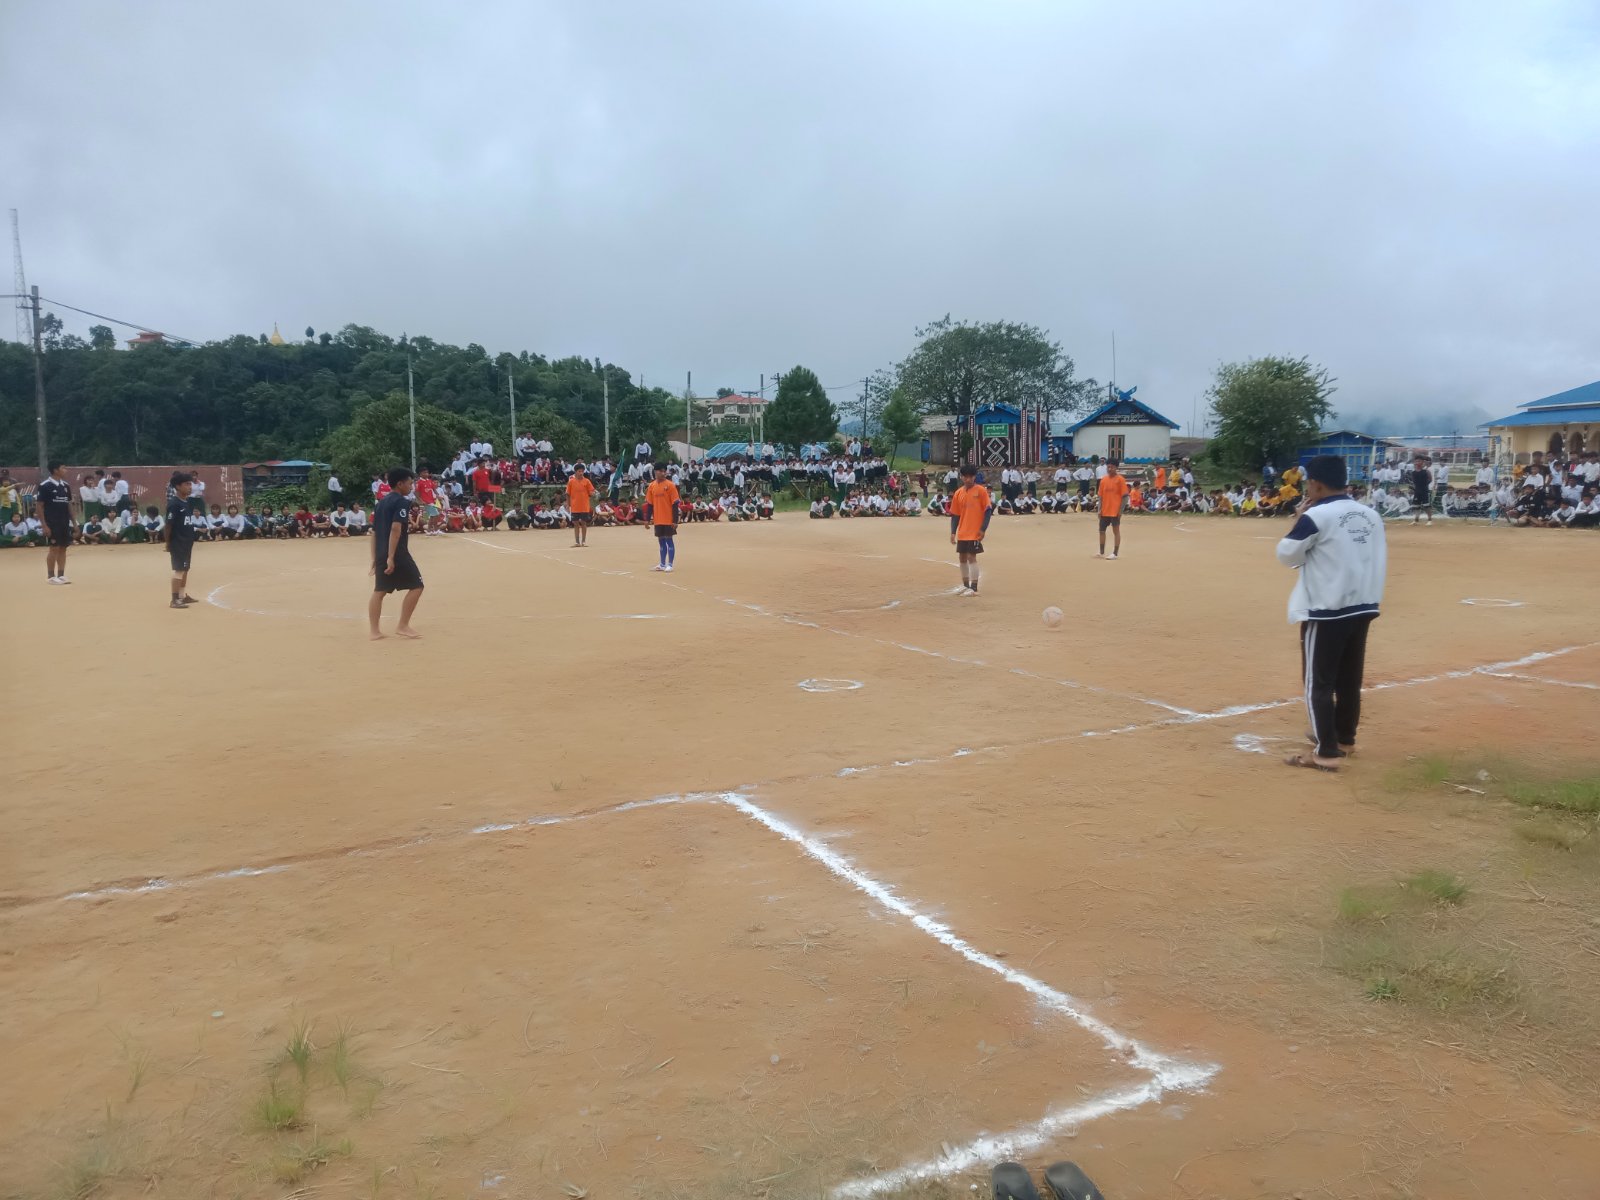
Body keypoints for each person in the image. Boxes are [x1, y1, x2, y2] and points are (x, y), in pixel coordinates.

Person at [1276, 455, 1387, 772]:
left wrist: (1299, 520)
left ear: (1316, 484)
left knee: (1319, 682)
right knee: (1349, 678)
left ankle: (1325, 751)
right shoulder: (1370, 515)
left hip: (1327, 608)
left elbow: (1287, 554)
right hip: (1363, 604)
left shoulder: (1316, 515)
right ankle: (1344, 737)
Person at [369, 467, 424, 640]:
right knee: (417, 585)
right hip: (397, 553)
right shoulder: (401, 502)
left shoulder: (380, 503)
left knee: (380, 591)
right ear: (400, 484)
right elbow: (395, 529)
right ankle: (403, 625)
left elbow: (374, 533)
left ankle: (374, 631)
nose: (411, 486)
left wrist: (375, 558)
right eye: (410, 483)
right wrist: (391, 557)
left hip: (381, 552)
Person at [947, 463, 992, 594]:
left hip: (975, 531)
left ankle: (974, 586)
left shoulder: (981, 491)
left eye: (970, 477)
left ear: (974, 477)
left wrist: (983, 529)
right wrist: (953, 532)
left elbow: (988, 511)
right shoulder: (958, 493)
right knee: (962, 558)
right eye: (965, 477)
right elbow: (955, 514)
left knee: (971, 557)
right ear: (961, 477)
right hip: (963, 532)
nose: (968, 479)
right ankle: (965, 585)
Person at [165, 472, 200, 608]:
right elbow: (168, 525)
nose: (190, 487)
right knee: (179, 570)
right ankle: (174, 600)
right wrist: (168, 543)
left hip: (187, 542)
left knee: (185, 569)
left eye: (190, 484)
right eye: (186, 484)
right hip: (178, 542)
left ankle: (181, 596)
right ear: (178, 486)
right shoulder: (174, 504)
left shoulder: (186, 502)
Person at [37, 462, 74, 583]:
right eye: (63, 468)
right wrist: (44, 525)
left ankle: (61, 575)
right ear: (55, 470)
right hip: (52, 522)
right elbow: (39, 506)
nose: (66, 470)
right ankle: (51, 576)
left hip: (64, 522)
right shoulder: (45, 486)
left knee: (63, 548)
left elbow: (69, 505)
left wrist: (74, 523)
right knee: (54, 548)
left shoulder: (66, 486)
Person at [645, 462, 680, 572]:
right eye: (661, 471)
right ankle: (662, 564)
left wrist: (675, 520)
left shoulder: (670, 485)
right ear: (655, 472)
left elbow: (675, 504)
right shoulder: (651, 486)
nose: (663, 473)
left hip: (668, 519)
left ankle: (670, 564)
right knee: (661, 541)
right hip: (658, 519)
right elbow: (650, 504)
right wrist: (647, 519)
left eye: (665, 471)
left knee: (669, 540)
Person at [1095, 461, 1130, 559]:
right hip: (1104, 510)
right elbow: (1100, 497)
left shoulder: (1120, 480)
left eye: (1112, 467)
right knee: (1101, 531)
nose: (1109, 469)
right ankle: (1101, 552)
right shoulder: (1103, 480)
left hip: (1115, 511)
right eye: (1108, 467)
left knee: (1116, 531)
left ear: (1116, 468)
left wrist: (1120, 511)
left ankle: (1115, 553)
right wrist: (1099, 509)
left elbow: (1125, 497)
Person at [567, 459, 596, 547]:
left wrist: (593, 493)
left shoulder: (587, 481)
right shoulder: (571, 481)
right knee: (576, 523)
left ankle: (583, 541)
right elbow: (568, 494)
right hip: (575, 506)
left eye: (582, 471)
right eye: (579, 471)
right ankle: (577, 542)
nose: (581, 473)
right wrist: (568, 505)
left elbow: (591, 491)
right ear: (575, 472)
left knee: (583, 523)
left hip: (584, 506)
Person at [1409, 455, 1434, 525]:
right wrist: (1413, 488)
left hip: (1424, 491)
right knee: (1416, 506)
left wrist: (1424, 485)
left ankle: (1429, 520)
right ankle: (1416, 520)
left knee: (1426, 506)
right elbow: (1414, 482)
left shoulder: (1426, 471)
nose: (1417, 462)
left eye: (1419, 461)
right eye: (1416, 461)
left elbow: (1430, 479)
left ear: (1422, 462)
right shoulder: (1413, 472)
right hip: (1417, 491)